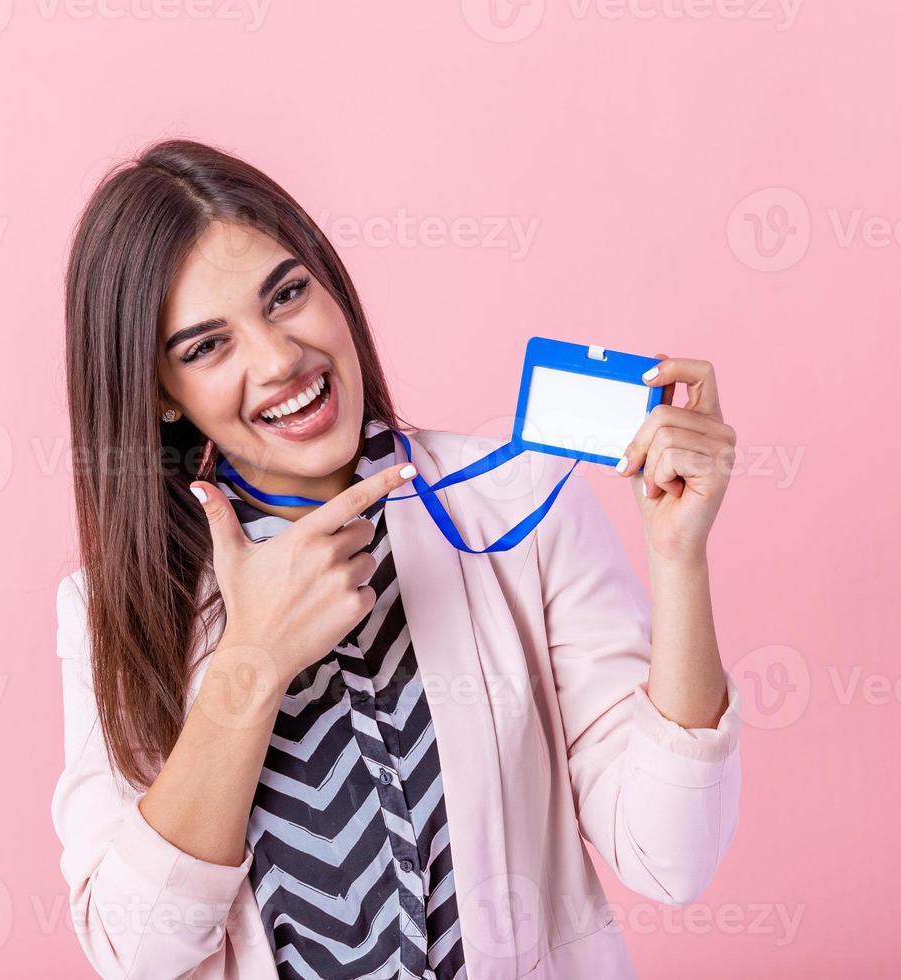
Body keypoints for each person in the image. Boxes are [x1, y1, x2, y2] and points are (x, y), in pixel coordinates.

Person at [52, 138, 742, 979]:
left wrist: (679, 562)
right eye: (206, 347)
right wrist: (253, 662)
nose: (278, 361)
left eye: (288, 294)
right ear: (160, 393)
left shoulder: (520, 505)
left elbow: (670, 856)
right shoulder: (110, 608)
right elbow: (138, 952)